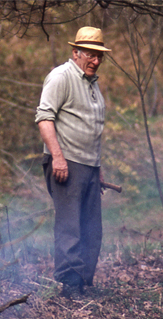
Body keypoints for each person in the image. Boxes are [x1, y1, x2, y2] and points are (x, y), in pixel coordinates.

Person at [35, 26, 111, 298]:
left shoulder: (91, 83)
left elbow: (91, 127)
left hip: (88, 165)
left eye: (99, 56)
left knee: (91, 227)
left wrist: (97, 167)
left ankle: (81, 282)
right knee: (71, 226)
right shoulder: (60, 76)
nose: (96, 60)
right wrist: (58, 157)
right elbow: (44, 118)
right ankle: (71, 286)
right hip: (66, 163)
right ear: (75, 52)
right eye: (91, 54)